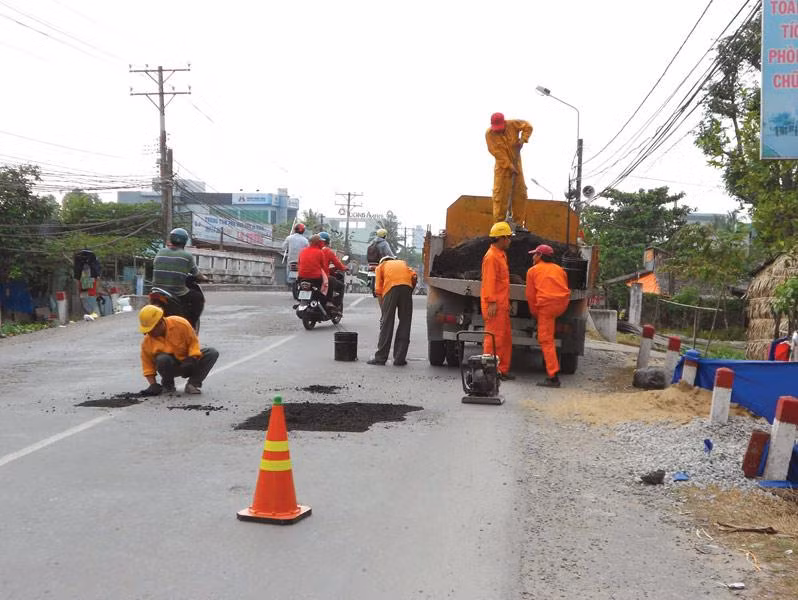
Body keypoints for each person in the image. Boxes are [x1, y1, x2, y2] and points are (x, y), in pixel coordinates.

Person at [138, 305, 219, 396]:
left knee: (211, 353)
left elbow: (193, 342)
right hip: (170, 367)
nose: (149, 333)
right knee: (162, 359)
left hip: (189, 361)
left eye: (151, 330)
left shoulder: (180, 323)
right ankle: (168, 385)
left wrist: (193, 357)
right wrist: (153, 385)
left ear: (160, 322)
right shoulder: (147, 342)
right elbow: (147, 367)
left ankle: (193, 384)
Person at [526, 244, 571, 388]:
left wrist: (535, 313)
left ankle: (553, 377)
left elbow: (531, 296)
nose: (533, 257)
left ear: (540, 256)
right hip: (561, 305)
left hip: (546, 306)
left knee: (546, 340)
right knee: (548, 337)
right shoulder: (560, 270)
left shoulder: (532, 271)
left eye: (535, 254)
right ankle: (553, 373)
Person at [152, 227, 208, 326]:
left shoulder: (160, 252)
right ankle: (190, 325)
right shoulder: (187, 256)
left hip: (156, 290)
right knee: (198, 298)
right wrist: (204, 278)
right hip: (175, 292)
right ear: (185, 241)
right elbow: (196, 274)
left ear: (171, 239)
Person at [486, 113, 533, 228]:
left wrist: (523, 140)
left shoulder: (512, 124)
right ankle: (499, 226)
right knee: (500, 197)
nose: (498, 131)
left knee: (520, 193)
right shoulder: (489, 134)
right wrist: (508, 166)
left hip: (517, 165)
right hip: (502, 168)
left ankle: (518, 225)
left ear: (504, 123)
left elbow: (528, 126)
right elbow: (496, 153)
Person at [368, 256, 417, 366]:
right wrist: (409, 291)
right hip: (407, 287)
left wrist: (383, 314)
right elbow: (414, 276)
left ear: (382, 261)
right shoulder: (403, 263)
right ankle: (399, 359)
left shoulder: (381, 266)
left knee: (387, 323)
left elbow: (378, 291)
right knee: (405, 323)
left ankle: (380, 358)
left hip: (391, 287)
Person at [481, 222, 514, 380]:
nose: (510, 241)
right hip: (495, 305)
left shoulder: (501, 255)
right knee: (493, 339)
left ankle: (501, 370)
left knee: (505, 339)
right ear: (501, 238)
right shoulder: (491, 257)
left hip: (502, 305)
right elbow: (489, 281)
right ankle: (489, 372)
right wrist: (492, 302)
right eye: (508, 238)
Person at [318, 231, 347, 309]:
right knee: (339, 285)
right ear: (327, 242)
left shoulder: (307, 250)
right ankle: (332, 303)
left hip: (306, 276)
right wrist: (344, 268)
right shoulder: (327, 251)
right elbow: (337, 264)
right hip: (321, 276)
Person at [297, 234, 329, 300]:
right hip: (315, 278)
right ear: (318, 243)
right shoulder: (320, 252)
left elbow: (299, 263)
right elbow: (323, 266)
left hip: (301, 277)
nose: (322, 244)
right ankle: (325, 300)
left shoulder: (302, 251)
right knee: (329, 283)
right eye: (321, 242)